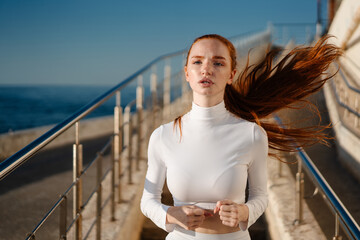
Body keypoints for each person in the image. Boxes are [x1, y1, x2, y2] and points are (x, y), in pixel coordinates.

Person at [140, 34, 341, 240]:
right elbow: (148, 201)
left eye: (218, 62)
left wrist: (243, 212)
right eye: (197, 61)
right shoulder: (163, 136)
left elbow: (260, 197)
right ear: (186, 74)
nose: (206, 69)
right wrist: (170, 214)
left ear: (231, 75)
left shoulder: (251, 134)